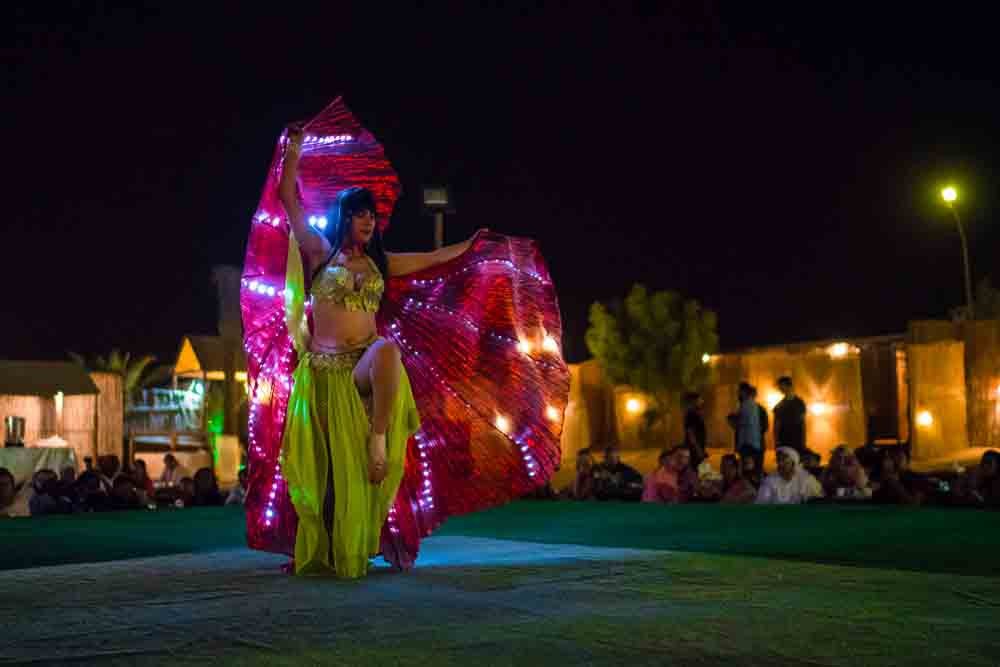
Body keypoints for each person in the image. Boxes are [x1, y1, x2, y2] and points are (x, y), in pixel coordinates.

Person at [242, 101, 568, 577]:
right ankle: (325, 547)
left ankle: (378, 441)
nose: (368, 222)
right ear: (343, 219)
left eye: (371, 216)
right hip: (322, 375)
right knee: (327, 472)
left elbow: (437, 257)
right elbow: (289, 199)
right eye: (359, 216)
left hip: (361, 368)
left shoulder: (382, 265)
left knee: (387, 350)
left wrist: (476, 245)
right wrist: (293, 149)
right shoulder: (317, 254)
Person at [756, 447, 823, 505]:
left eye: (784, 459)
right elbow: (761, 503)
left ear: (793, 462)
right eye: (778, 460)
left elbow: (818, 501)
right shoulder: (770, 480)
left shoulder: (806, 479)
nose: (780, 463)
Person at [729, 382, 762, 473]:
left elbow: (743, 424)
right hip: (752, 442)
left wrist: (733, 421)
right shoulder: (751, 404)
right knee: (749, 468)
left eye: (738, 391)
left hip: (747, 443)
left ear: (743, 392)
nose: (737, 393)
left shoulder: (746, 405)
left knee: (747, 469)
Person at [773, 377, 807, 457]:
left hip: (796, 440)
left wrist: (803, 441)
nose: (780, 388)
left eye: (781, 386)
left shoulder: (799, 403)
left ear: (788, 386)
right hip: (784, 439)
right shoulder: (780, 404)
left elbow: (802, 422)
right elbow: (776, 424)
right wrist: (776, 440)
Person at [682, 392, 708, 468]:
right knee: (695, 471)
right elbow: (691, 434)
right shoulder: (690, 414)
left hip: (696, 449)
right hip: (693, 450)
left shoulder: (695, 414)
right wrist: (698, 450)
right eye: (700, 399)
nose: (702, 401)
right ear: (694, 401)